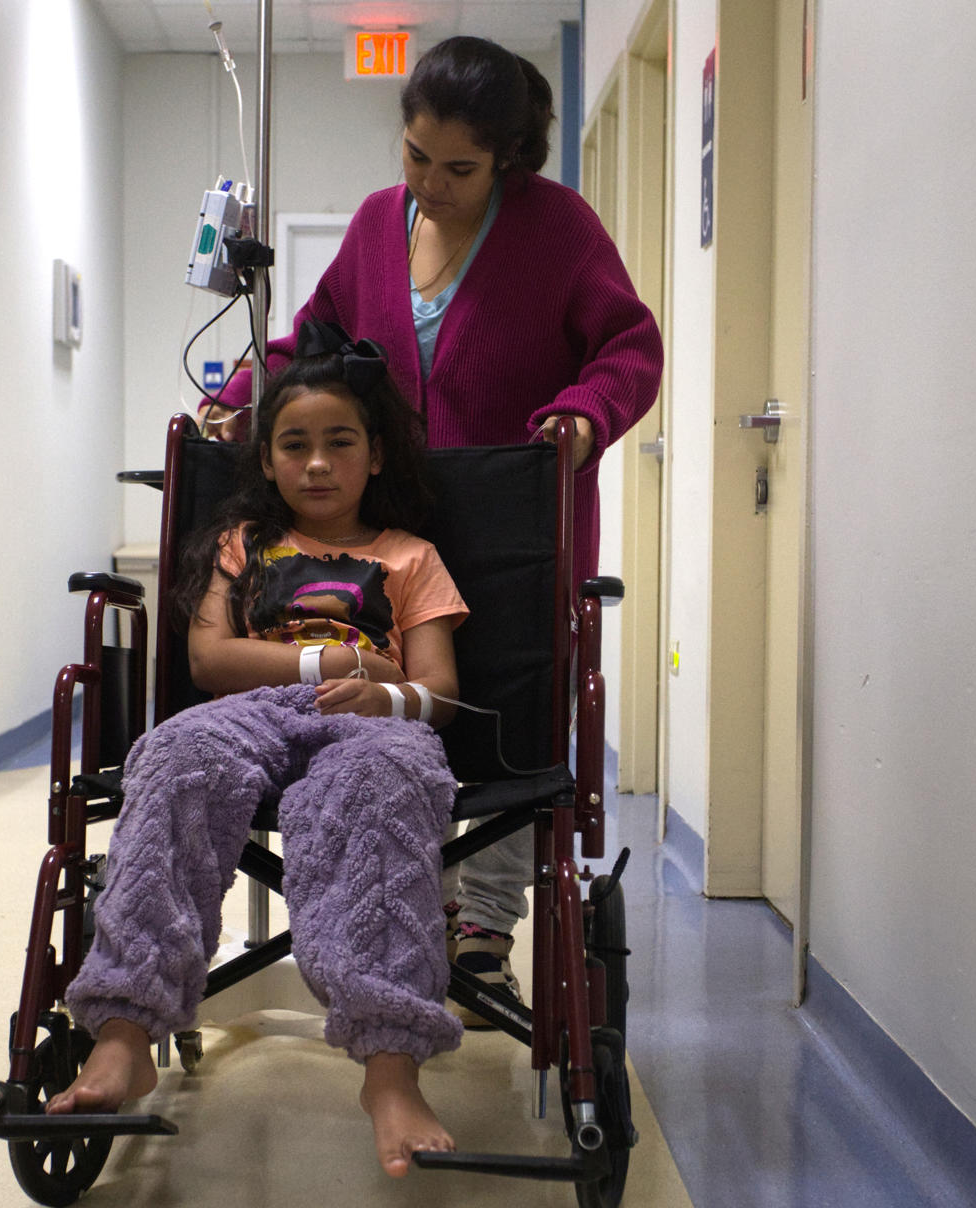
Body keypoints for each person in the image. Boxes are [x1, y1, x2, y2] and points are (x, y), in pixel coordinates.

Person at [203, 36, 664, 1021]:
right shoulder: (378, 223)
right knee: (395, 694)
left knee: (501, 706)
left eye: (459, 166)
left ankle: (486, 921)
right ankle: (415, 895)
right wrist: (244, 391)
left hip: (511, 520)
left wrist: (585, 412)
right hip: (393, 521)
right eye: (416, 156)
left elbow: (630, 344)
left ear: (508, 156)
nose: (432, 183)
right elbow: (309, 339)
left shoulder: (557, 227)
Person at [53, 322, 470, 1179]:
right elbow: (210, 661)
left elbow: (440, 694)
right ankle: (124, 1032)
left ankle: (390, 1069)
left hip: (372, 724)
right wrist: (343, 655)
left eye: (338, 443)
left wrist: (381, 688)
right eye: (294, 445)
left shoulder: (411, 557)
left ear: (376, 456)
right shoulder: (245, 543)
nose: (317, 463)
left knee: (388, 778)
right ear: (269, 459)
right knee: (174, 757)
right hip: (247, 712)